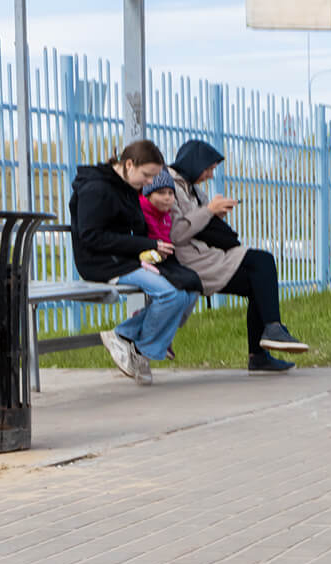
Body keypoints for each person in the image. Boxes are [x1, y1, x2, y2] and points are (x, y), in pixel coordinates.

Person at [167, 140, 311, 373]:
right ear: (195, 163)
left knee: (260, 280)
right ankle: (271, 330)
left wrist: (216, 214)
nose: (211, 175)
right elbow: (176, 233)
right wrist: (209, 211)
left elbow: (201, 223)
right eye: (209, 169)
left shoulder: (190, 187)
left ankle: (259, 355)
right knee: (262, 261)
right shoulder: (171, 186)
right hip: (191, 260)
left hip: (205, 256)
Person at [69, 139, 197, 385]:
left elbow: (135, 228)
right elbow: (92, 237)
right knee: (170, 295)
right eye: (147, 175)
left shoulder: (126, 188)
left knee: (188, 290)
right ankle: (140, 350)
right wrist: (144, 247)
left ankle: (126, 336)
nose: (149, 183)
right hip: (102, 263)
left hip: (127, 257)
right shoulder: (96, 188)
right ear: (129, 164)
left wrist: (148, 249)